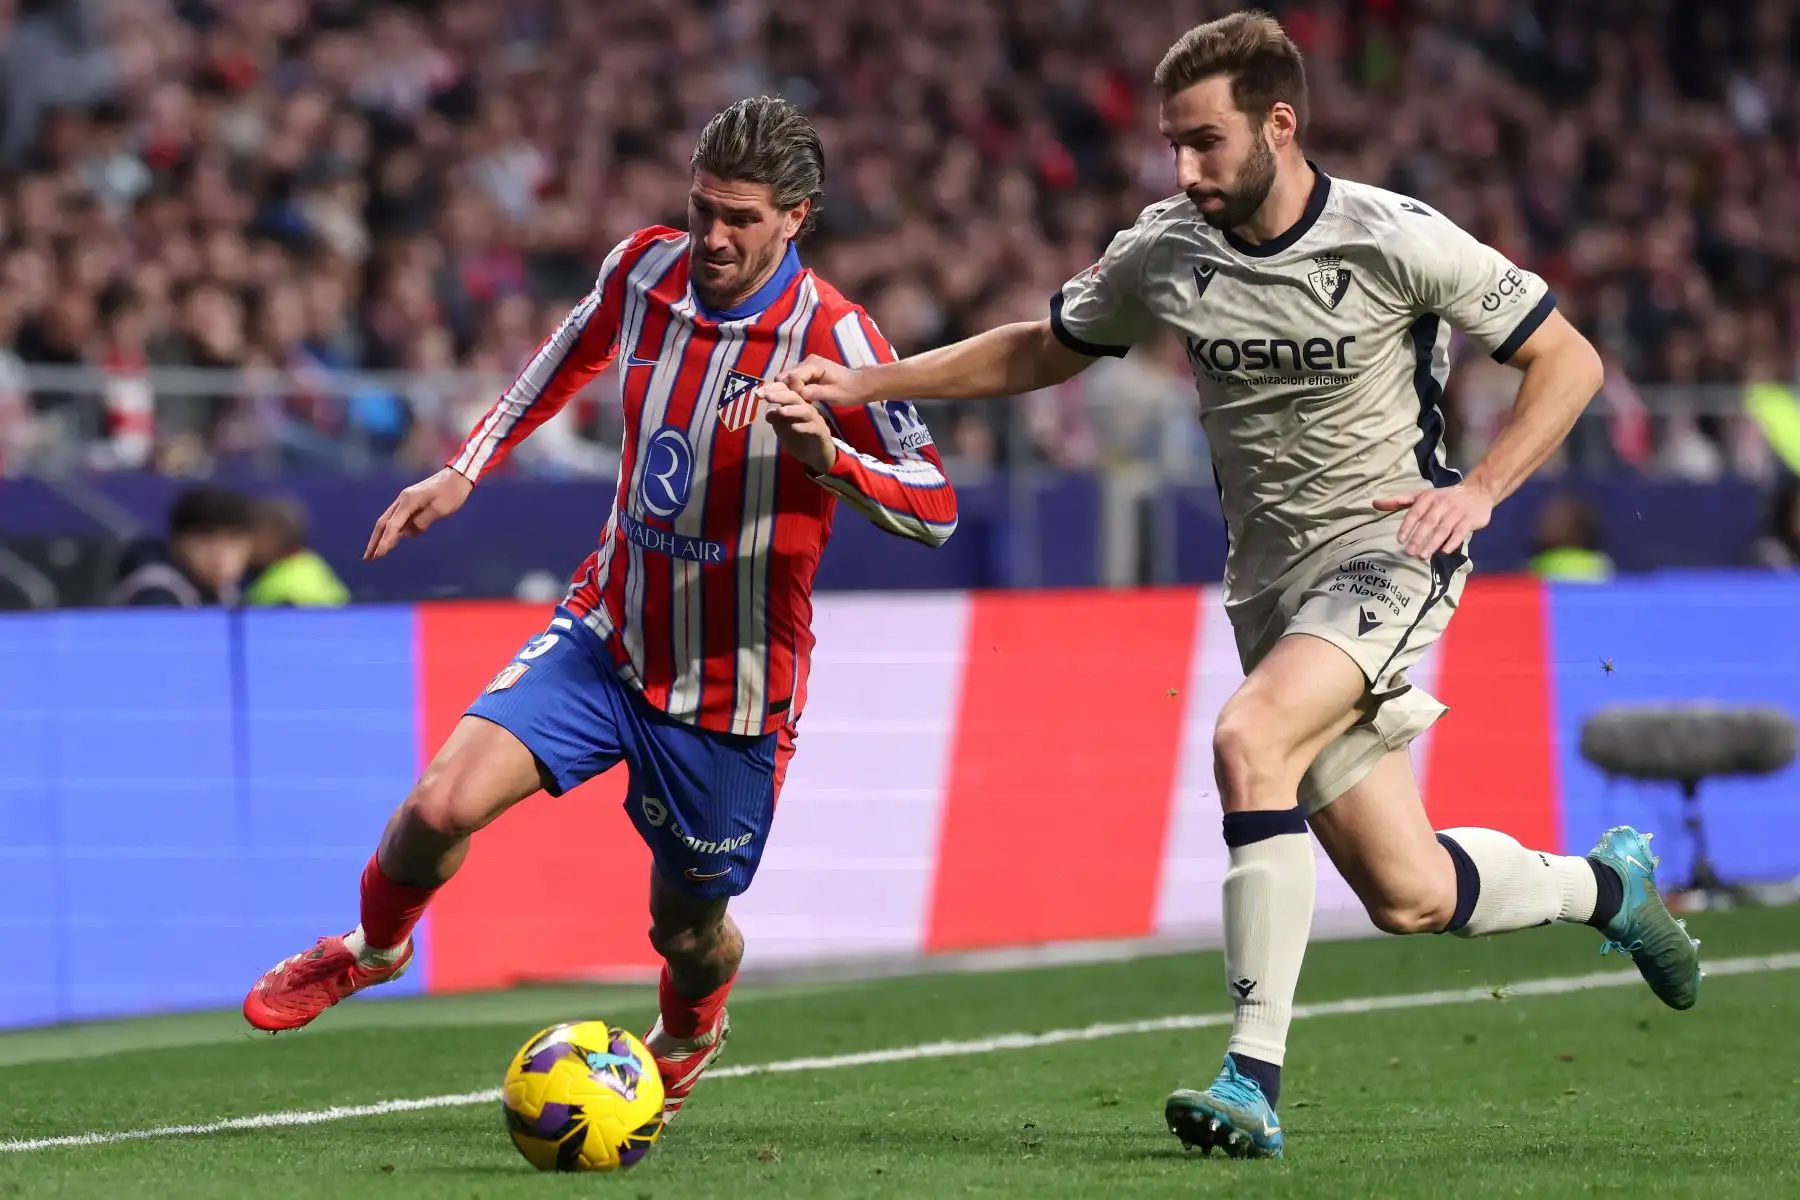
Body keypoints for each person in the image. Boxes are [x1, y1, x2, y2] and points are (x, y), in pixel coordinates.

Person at [762, 11, 1699, 1160]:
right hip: (1272, 592)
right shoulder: (1166, 249)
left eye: (1206, 142)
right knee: (1411, 893)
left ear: (1280, 124)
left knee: (1248, 740)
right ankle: (1611, 888)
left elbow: (1570, 357)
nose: (1186, 168)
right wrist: (871, 378)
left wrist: (1485, 489)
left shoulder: (1395, 238)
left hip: (1393, 549)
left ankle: (1251, 1076)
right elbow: (1044, 345)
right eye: (1173, 145)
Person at [241, 97, 959, 1129]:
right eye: (703, 208)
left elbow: (934, 507)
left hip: (730, 686)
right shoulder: (646, 268)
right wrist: (465, 469)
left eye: (742, 219)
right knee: (438, 808)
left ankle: (694, 1027)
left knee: (689, 926)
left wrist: (829, 458)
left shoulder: (840, 337)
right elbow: (564, 356)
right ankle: (377, 948)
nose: (713, 236)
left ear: (795, 217)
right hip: (606, 630)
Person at [106, 484, 255, 607]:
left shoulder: (228, 592)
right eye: (206, 540)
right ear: (177, 543)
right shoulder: (155, 593)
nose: (219, 554)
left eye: (233, 540)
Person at [243, 496, 351, 607]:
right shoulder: (311, 563)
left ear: (275, 536)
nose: (246, 543)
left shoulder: (291, 594)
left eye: (253, 534)